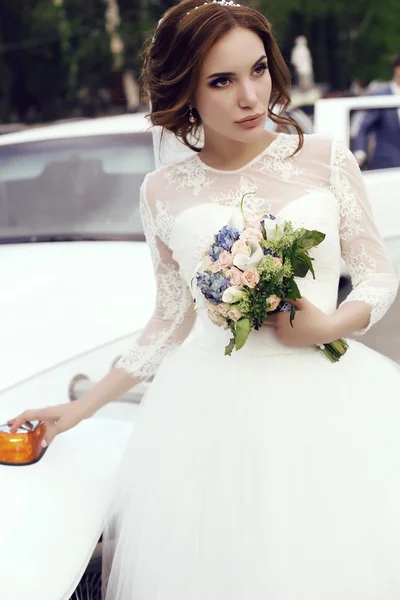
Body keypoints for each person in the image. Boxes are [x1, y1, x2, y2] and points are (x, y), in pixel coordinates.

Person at [7, 1, 400, 598]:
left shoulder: (325, 160)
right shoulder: (161, 190)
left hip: (328, 406)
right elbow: (169, 319)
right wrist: (77, 412)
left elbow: (378, 277)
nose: (250, 96)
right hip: (210, 414)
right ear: (185, 89)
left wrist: (327, 326)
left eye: (259, 70)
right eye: (222, 80)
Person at [353, 52, 400, 169]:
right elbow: (364, 127)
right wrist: (360, 153)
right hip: (387, 165)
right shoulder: (381, 96)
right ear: (397, 69)